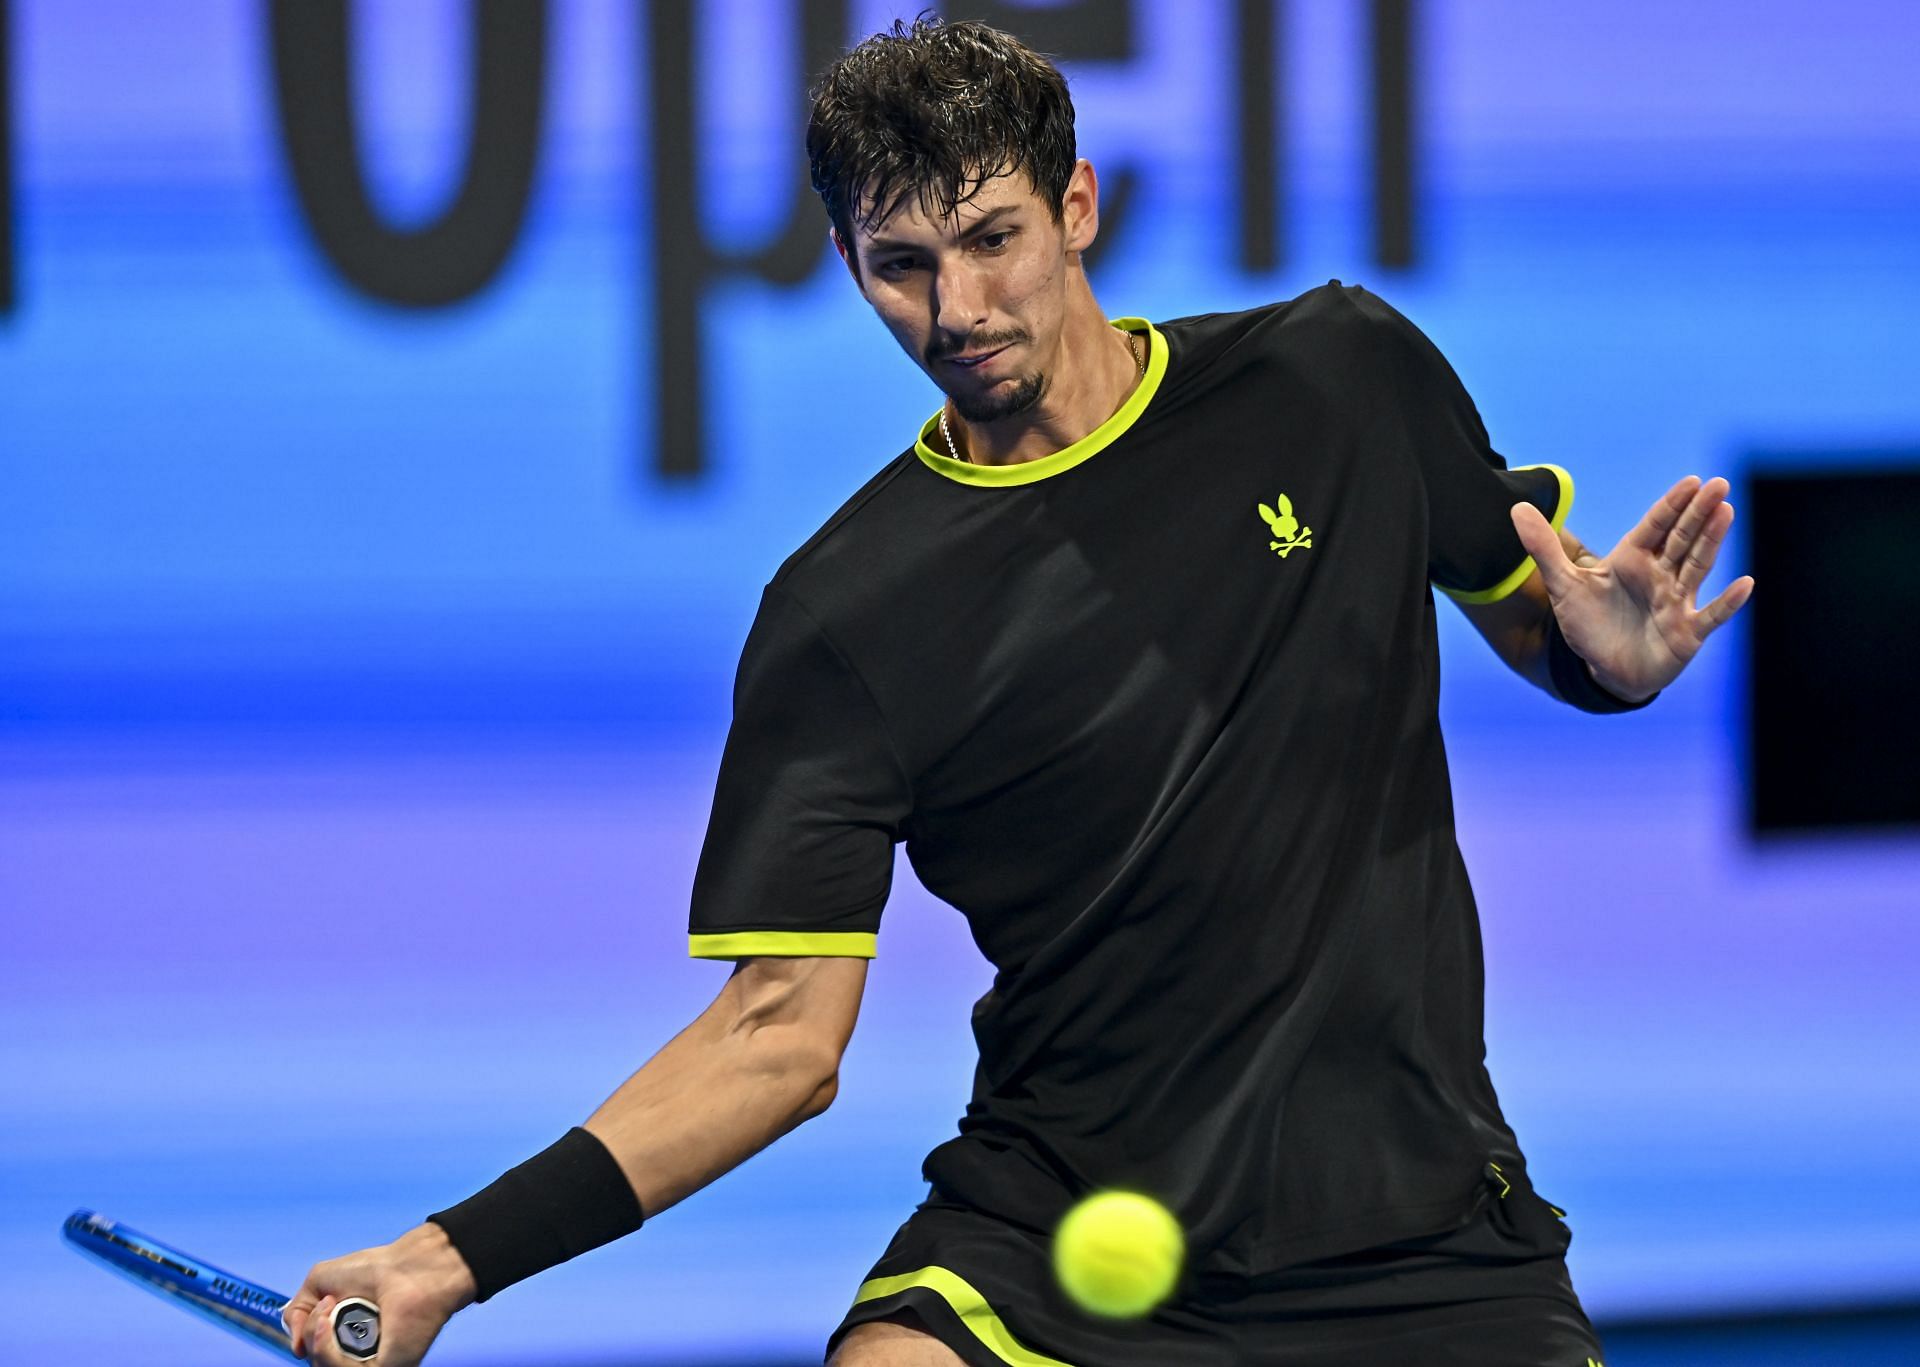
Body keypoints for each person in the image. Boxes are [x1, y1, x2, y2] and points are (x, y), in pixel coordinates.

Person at [284, 17, 1752, 1367]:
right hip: (1054, 1218)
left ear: (1078, 209)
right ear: (849, 264)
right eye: (901, 263)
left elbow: (1538, 630)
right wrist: (449, 1260)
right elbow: (777, 1040)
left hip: (1417, 1226)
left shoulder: (1340, 381)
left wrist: (1600, 667)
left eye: (992, 239)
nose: (958, 306)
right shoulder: (844, 616)